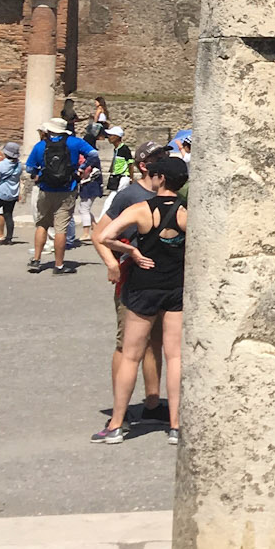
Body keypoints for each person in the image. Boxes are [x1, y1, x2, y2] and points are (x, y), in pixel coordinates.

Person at [91, 152, 187, 442]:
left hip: (144, 286)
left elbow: (104, 236)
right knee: (175, 355)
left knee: (131, 355)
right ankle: (175, 425)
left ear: (161, 178)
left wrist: (132, 250)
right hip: (175, 286)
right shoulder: (187, 211)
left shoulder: (141, 209)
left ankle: (116, 424)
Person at [24, 117, 100, 273]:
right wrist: (82, 168)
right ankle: (59, 265)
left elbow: (30, 168)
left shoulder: (40, 145)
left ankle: (36, 260)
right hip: (67, 189)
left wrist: (38, 174)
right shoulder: (75, 142)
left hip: (45, 189)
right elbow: (93, 154)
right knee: (61, 228)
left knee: (42, 224)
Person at [73, 140, 106, 241]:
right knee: (83, 208)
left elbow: (85, 172)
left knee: (84, 209)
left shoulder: (90, 159)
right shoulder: (92, 158)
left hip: (90, 185)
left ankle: (86, 233)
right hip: (90, 185)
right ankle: (96, 228)